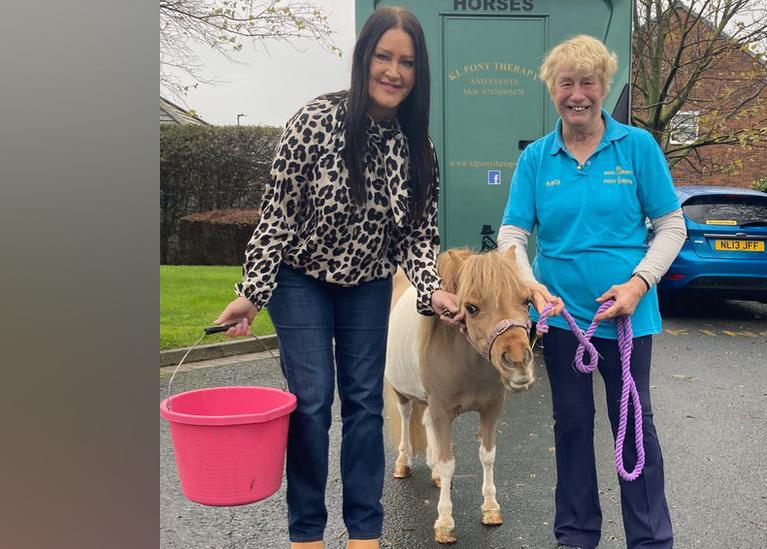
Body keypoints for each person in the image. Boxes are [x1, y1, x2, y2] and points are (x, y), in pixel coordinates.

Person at [213, 7, 461, 549]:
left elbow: (417, 237)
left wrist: (431, 288)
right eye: (384, 57)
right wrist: (252, 292)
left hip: (368, 283)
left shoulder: (419, 148)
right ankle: (307, 534)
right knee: (312, 400)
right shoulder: (315, 122)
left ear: (418, 73)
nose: (394, 71)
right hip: (300, 278)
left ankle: (365, 534)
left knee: (365, 403)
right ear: (363, 59)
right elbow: (276, 215)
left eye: (407, 62)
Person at [496, 35, 687, 549]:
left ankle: (649, 540)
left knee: (634, 427)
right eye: (566, 83)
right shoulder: (538, 158)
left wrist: (638, 283)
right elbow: (513, 234)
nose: (577, 94)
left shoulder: (637, 147)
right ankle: (576, 536)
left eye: (588, 82)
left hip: (626, 318)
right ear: (552, 90)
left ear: (603, 87)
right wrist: (530, 285)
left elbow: (671, 226)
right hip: (561, 321)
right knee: (572, 427)